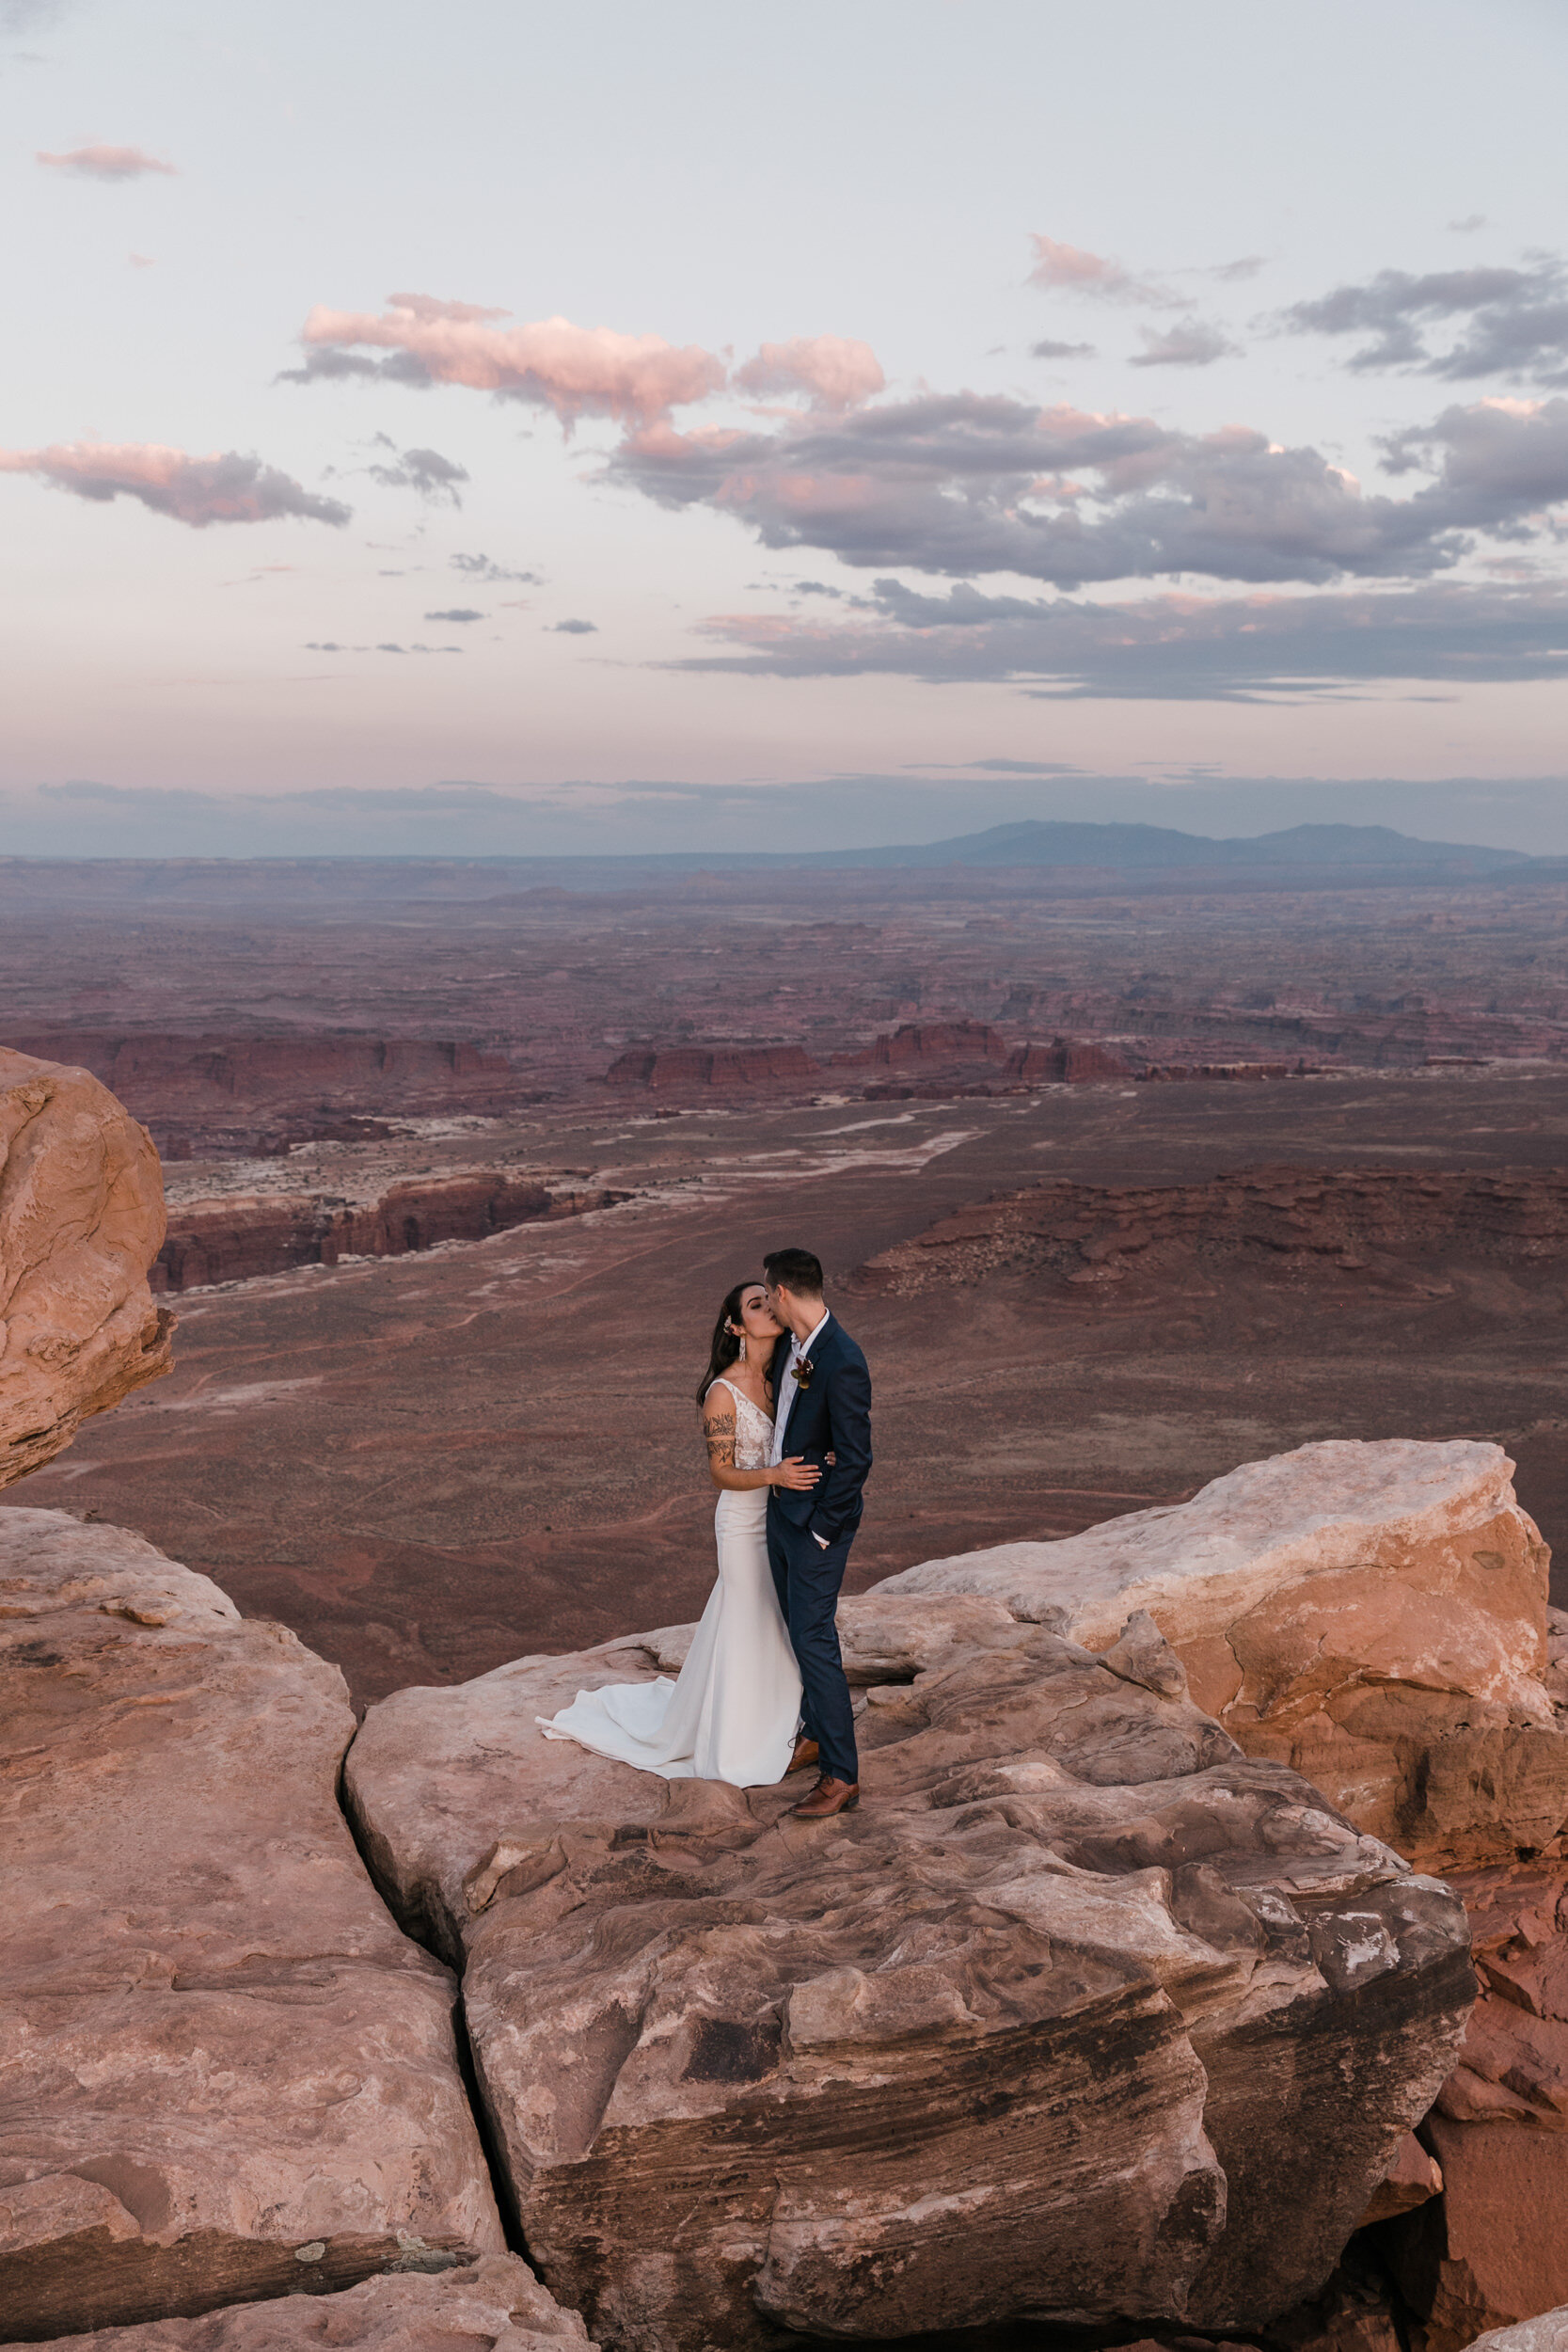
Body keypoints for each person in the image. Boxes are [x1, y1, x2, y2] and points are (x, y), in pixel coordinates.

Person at [537, 1279, 818, 1786]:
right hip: (742, 1522)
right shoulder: (723, 1392)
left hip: (780, 1520)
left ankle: (783, 1718)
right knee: (748, 1616)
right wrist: (776, 1476)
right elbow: (721, 1473)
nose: (770, 1308)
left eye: (770, 1300)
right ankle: (740, 1739)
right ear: (736, 1326)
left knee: (774, 1618)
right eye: (757, 1306)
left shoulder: (787, 1376)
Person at [762, 1246, 873, 1820]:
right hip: (781, 1513)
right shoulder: (789, 1347)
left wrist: (824, 1532)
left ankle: (841, 1775)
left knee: (814, 1639)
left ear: (782, 1292)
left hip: (816, 1529)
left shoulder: (842, 1357)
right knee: (795, 1629)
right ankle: (812, 1733)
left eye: (767, 1295)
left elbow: (856, 1458)